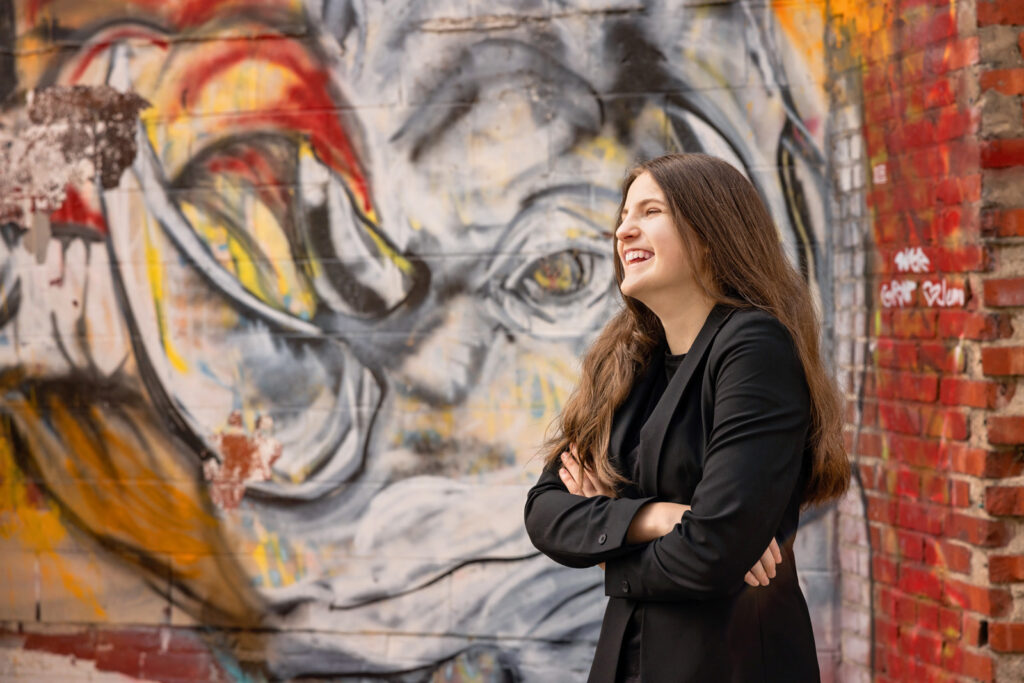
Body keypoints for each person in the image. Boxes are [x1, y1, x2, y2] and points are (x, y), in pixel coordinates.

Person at [524, 153, 850, 683]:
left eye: (651, 211)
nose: (624, 230)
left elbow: (712, 551)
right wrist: (660, 518)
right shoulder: (630, 359)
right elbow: (545, 511)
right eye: (624, 216)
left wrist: (609, 548)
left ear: (709, 233)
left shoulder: (753, 347)